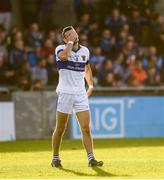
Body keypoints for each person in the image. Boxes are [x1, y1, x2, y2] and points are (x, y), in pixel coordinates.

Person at [51, 26, 103, 168]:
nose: (73, 35)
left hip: (80, 94)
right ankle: (55, 158)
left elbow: (87, 68)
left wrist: (90, 85)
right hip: (65, 93)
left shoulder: (85, 51)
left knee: (86, 128)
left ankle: (91, 159)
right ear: (65, 39)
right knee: (60, 128)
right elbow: (64, 57)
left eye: (73, 32)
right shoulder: (60, 49)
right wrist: (69, 44)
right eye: (68, 34)